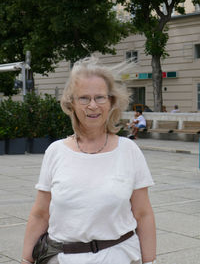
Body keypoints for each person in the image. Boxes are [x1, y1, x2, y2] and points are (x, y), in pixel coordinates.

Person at [21, 57, 156, 264]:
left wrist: (150, 262)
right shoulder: (55, 152)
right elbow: (40, 214)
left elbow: (143, 213)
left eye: (100, 97)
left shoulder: (129, 151)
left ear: (111, 101)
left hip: (118, 257)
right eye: (84, 98)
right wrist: (26, 260)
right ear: (71, 103)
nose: (92, 105)